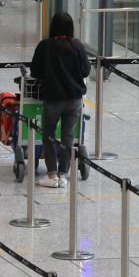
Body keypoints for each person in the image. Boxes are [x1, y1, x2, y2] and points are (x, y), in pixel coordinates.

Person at [29, 12, 91, 188]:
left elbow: (35, 72)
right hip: (74, 100)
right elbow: (86, 71)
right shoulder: (77, 46)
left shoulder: (45, 46)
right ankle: (64, 174)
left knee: (48, 136)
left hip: (53, 99)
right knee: (68, 137)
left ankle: (51, 174)